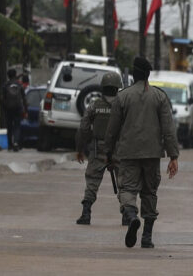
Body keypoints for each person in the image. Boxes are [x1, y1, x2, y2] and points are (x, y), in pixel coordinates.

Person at [105, 57, 180, 249]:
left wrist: (108, 153)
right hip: (152, 154)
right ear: (148, 75)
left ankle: (131, 217)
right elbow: (168, 129)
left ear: (133, 74)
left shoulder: (122, 97)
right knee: (149, 192)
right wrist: (173, 156)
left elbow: (112, 130)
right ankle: (147, 237)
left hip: (128, 154)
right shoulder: (160, 97)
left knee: (128, 189)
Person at [75, 72, 123, 226]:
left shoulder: (94, 105)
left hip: (98, 148)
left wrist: (81, 147)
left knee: (92, 182)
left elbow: (83, 127)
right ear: (117, 88)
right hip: (119, 148)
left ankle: (86, 213)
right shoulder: (123, 105)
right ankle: (128, 214)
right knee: (124, 183)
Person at [3, 69, 27, 152]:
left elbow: (3, 98)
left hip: (8, 109)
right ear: (15, 75)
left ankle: (10, 145)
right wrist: (25, 109)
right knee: (17, 126)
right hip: (18, 108)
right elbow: (24, 98)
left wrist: (5, 108)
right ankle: (16, 142)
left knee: (9, 127)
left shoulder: (6, 85)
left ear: (8, 76)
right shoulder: (19, 85)